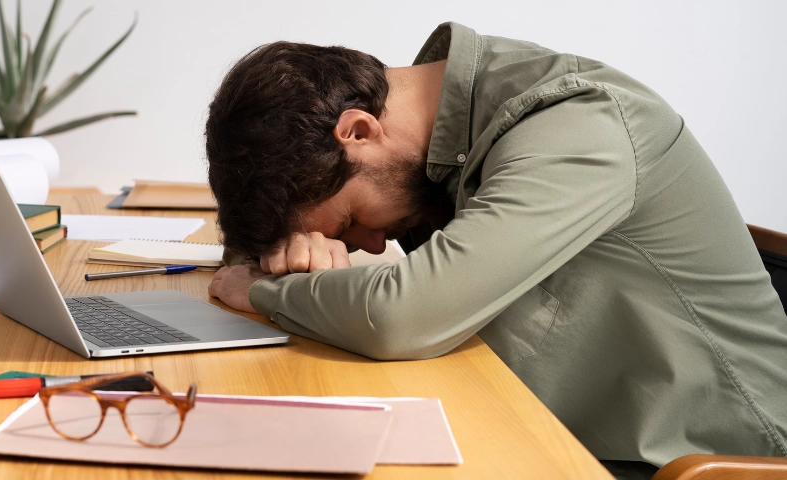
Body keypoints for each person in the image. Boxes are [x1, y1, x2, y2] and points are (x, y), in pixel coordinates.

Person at [203, 22, 787, 477]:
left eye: (352, 220)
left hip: (704, 461)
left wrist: (267, 290)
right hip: (565, 429)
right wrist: (296, 249)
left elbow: (404, 315)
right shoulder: (442, 149)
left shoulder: (581, 126)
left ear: (358, 131)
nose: (372, 244)